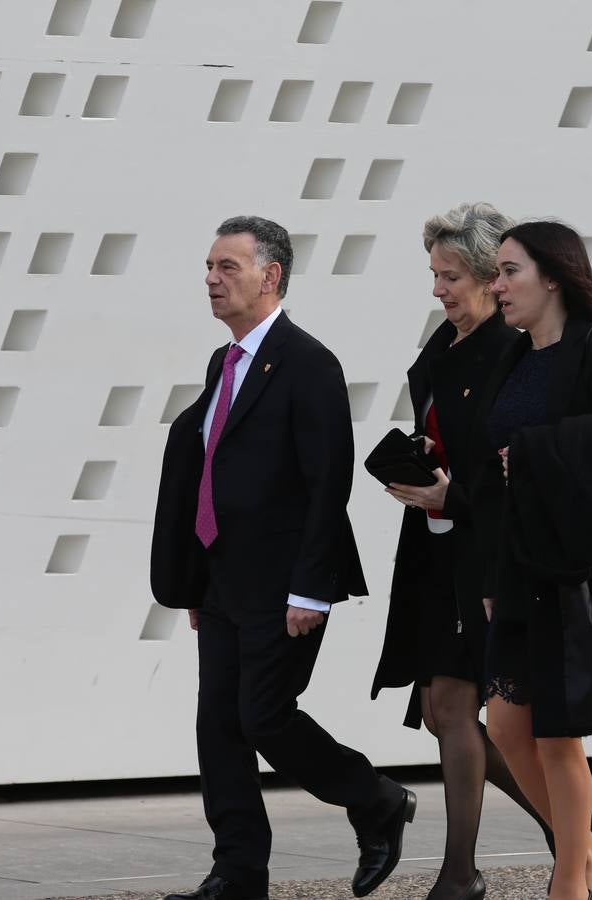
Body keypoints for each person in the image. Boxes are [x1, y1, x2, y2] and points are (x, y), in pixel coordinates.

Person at [150, 216, 415, 900]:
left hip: (285, 582)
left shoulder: (307, 364)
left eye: (227, 267)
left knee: (264, 715)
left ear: (270, 276)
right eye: (208, 266)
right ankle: (237, 874)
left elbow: (330, 481)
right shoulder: (225, 363)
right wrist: (191, 580)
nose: (211, 278)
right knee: (219, 727)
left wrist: (311, 588)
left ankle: (375, 798)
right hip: (222, 581)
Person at [373, 202, 592, 900]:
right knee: (466, 714)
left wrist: (455, 496)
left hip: (486, 553)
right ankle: (584, 844)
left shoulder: (509, 351)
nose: (438, 290)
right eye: (434, 274)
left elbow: (512, 466)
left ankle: (465, 873)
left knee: (456, 707)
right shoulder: (443, 346)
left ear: (487, 279)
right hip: (438, 548)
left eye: (451, 276)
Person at [471, 221, 592, 900]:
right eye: (495, 273)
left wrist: (540, 452)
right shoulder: (514, 356)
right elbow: (495, 471)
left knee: (556, 734)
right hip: (518, 563)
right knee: (507, 726)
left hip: (574, 563)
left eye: (510, 271)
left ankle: (568, 887)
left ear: (553, 275)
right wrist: (492, 575)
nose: (498, 286)